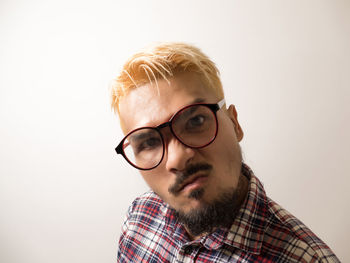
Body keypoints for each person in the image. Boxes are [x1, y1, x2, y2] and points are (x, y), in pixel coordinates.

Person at [111, 42, 339, 262]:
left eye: (196, 120)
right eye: (149, 143)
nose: (177, 158)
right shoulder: (138, 218)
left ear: (234, 123)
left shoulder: (306, 259)